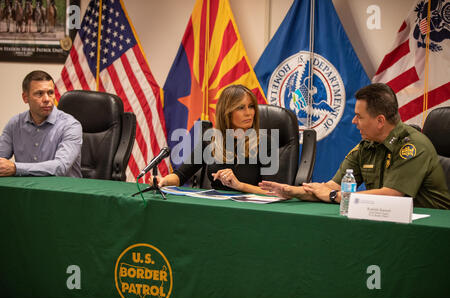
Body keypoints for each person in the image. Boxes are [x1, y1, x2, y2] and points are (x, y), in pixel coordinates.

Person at [260, 83, 450, 209]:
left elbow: (391, 196)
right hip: (388, 223)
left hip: (432, 228)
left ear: (380, 121)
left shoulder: (413, 146)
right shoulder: (366, 147)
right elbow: (329, 187)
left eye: (359, 116)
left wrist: (334, 195)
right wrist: (293, 191)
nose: (353, 121)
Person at [155, 84, 272, 194]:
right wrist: (164, 181)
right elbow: (180, 176)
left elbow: (273, 192)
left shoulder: (264, 142)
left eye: (251, 107)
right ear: (227, 113)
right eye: (241, 108)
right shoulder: (210, 140)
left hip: (250, 210)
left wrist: (239, 186)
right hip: (216, 207)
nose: (249, 113)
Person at [0, 70, 82, 178]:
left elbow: (60, 167)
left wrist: (16, 168)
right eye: (39, 94)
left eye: (50, 93)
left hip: (64, 191)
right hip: (26, 189)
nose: (47, 99)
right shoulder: (15, 124)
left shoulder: (70, 125)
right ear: (25, 98)